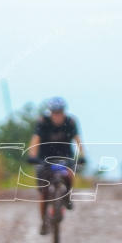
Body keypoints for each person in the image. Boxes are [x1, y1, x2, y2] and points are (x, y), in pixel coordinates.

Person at [26, 97, 85, 235]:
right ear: (50, 112)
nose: (57, 115)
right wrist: (32, 155)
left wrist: (82, 155)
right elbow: (36, 139)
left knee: (69, 174)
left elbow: (77, 139)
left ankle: (68, 197)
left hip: (65, 156)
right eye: (54, 112)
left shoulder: (70, 122)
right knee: (43, 193)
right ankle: (43, 221)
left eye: (60, 112)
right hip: (45, 157)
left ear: (64, 112)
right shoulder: (43, 122)